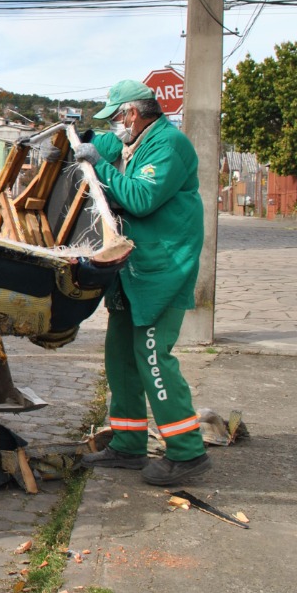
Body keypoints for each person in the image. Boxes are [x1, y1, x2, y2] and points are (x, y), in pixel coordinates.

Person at [75, 79, 211, 486]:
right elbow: (103, 143)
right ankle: (129, 445)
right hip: (133, 268)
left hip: (163, 268)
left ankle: (187, 453)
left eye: (118, 118)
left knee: (152, 358)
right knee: (121, 357)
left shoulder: (168, 145)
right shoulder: (136, 139)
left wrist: (97, 164)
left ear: (133, 114)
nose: (116, 127)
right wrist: (78, 140)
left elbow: (141, 198)